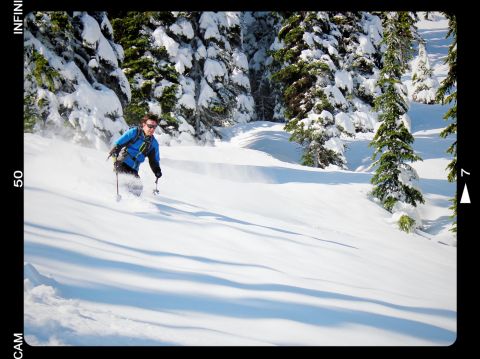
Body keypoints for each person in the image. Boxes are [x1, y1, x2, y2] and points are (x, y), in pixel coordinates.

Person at [108, 113, 163, 196]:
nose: (152, 129)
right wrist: (115, 152)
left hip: (134, 169)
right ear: (144, 124)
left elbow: (154, 161)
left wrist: (157, 170)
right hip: (123, 163)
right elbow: (118, 144)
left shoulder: (153, 144)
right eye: (150, 126)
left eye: (154, 127)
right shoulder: (134, 132)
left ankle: (131, 205)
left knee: (138, 188)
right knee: (123, 184)